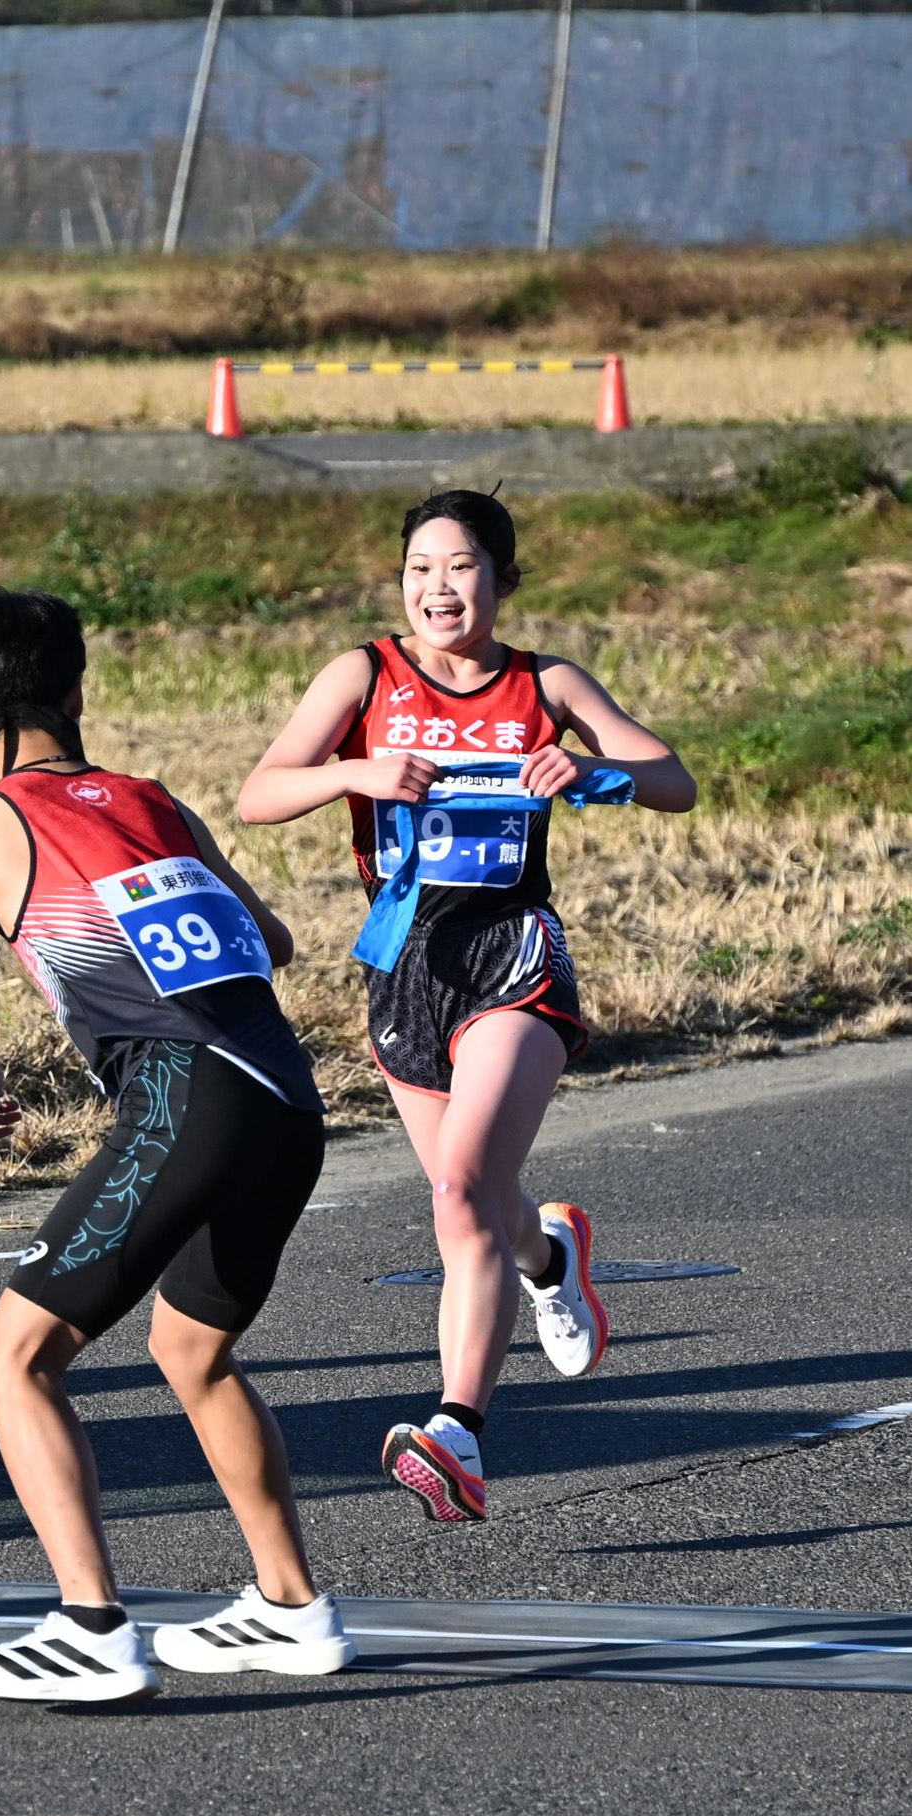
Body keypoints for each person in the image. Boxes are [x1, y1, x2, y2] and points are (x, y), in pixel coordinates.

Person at [0, 585, 355, 1704]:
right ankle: (292, 1605)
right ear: (77, 688)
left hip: (183, 1096)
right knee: (192, 1351)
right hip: (287, 1100)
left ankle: (92, 1625)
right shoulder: (153, 797)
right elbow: (274, 937)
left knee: (10, 1360)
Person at [238, 490, 696, 1527]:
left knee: (457, 1189)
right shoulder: (364, 673)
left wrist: (592, 769)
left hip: (512, 955)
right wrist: (357, 767)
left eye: (459, 566)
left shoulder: (547, 681)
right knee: (481, 1205)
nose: (437, 586)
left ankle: (458, 1431)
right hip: (405, 963)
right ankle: (552, 1255)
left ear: (502, 576)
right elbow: (258, 792)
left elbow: (676, 779)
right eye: (419, 567)